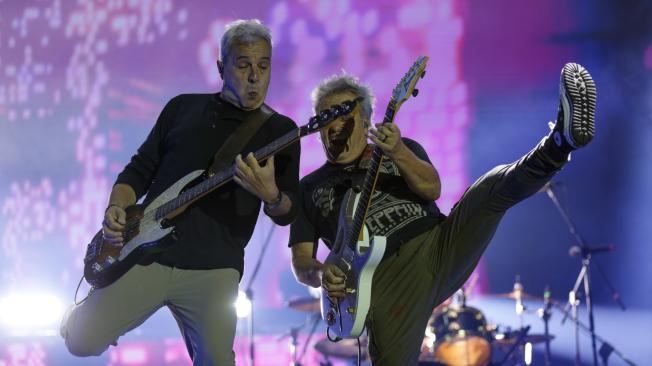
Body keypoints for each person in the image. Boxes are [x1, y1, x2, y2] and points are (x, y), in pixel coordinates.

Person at [288, 63, 596, 364]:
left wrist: (398, 153)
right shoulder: (309, 188)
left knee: (489, 189)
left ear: (366, 121)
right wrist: (319, 273)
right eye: (324, 118)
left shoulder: (402, 148)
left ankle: (559, 143)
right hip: (383, 283)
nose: (333, 126)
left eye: (342, 114)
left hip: (437, 244)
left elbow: (432, 189)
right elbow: (302, 262)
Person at [60, 19, 300, 365]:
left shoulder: (281, 131)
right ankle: (80, 315)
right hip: (148, 253)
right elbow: (139, 169)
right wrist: (117, 206)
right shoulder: (182, 108)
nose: (254, 77)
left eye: (263, 66)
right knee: (80, 342)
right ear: (221, 66)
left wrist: (272, 195)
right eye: (243, 64)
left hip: (214, 268)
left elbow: (287, 212)